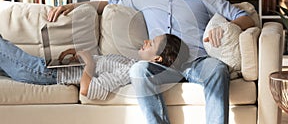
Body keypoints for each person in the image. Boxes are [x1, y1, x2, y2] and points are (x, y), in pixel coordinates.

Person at [47, 0, 255, 124]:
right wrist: (72, 6)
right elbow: (108, 4)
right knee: (138, 70)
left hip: (197, 61)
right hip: (161, 65)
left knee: (217, 68)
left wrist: (230, 27)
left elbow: (246, 17)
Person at [0, 33, 187, 100]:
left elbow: (87, 89)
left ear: (157, 59)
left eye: (152, 43)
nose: (146, 41)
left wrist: (88, 61)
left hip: (43, 74)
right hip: (50, 68)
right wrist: (78, 56)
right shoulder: (131, 63)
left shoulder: (130, 72)